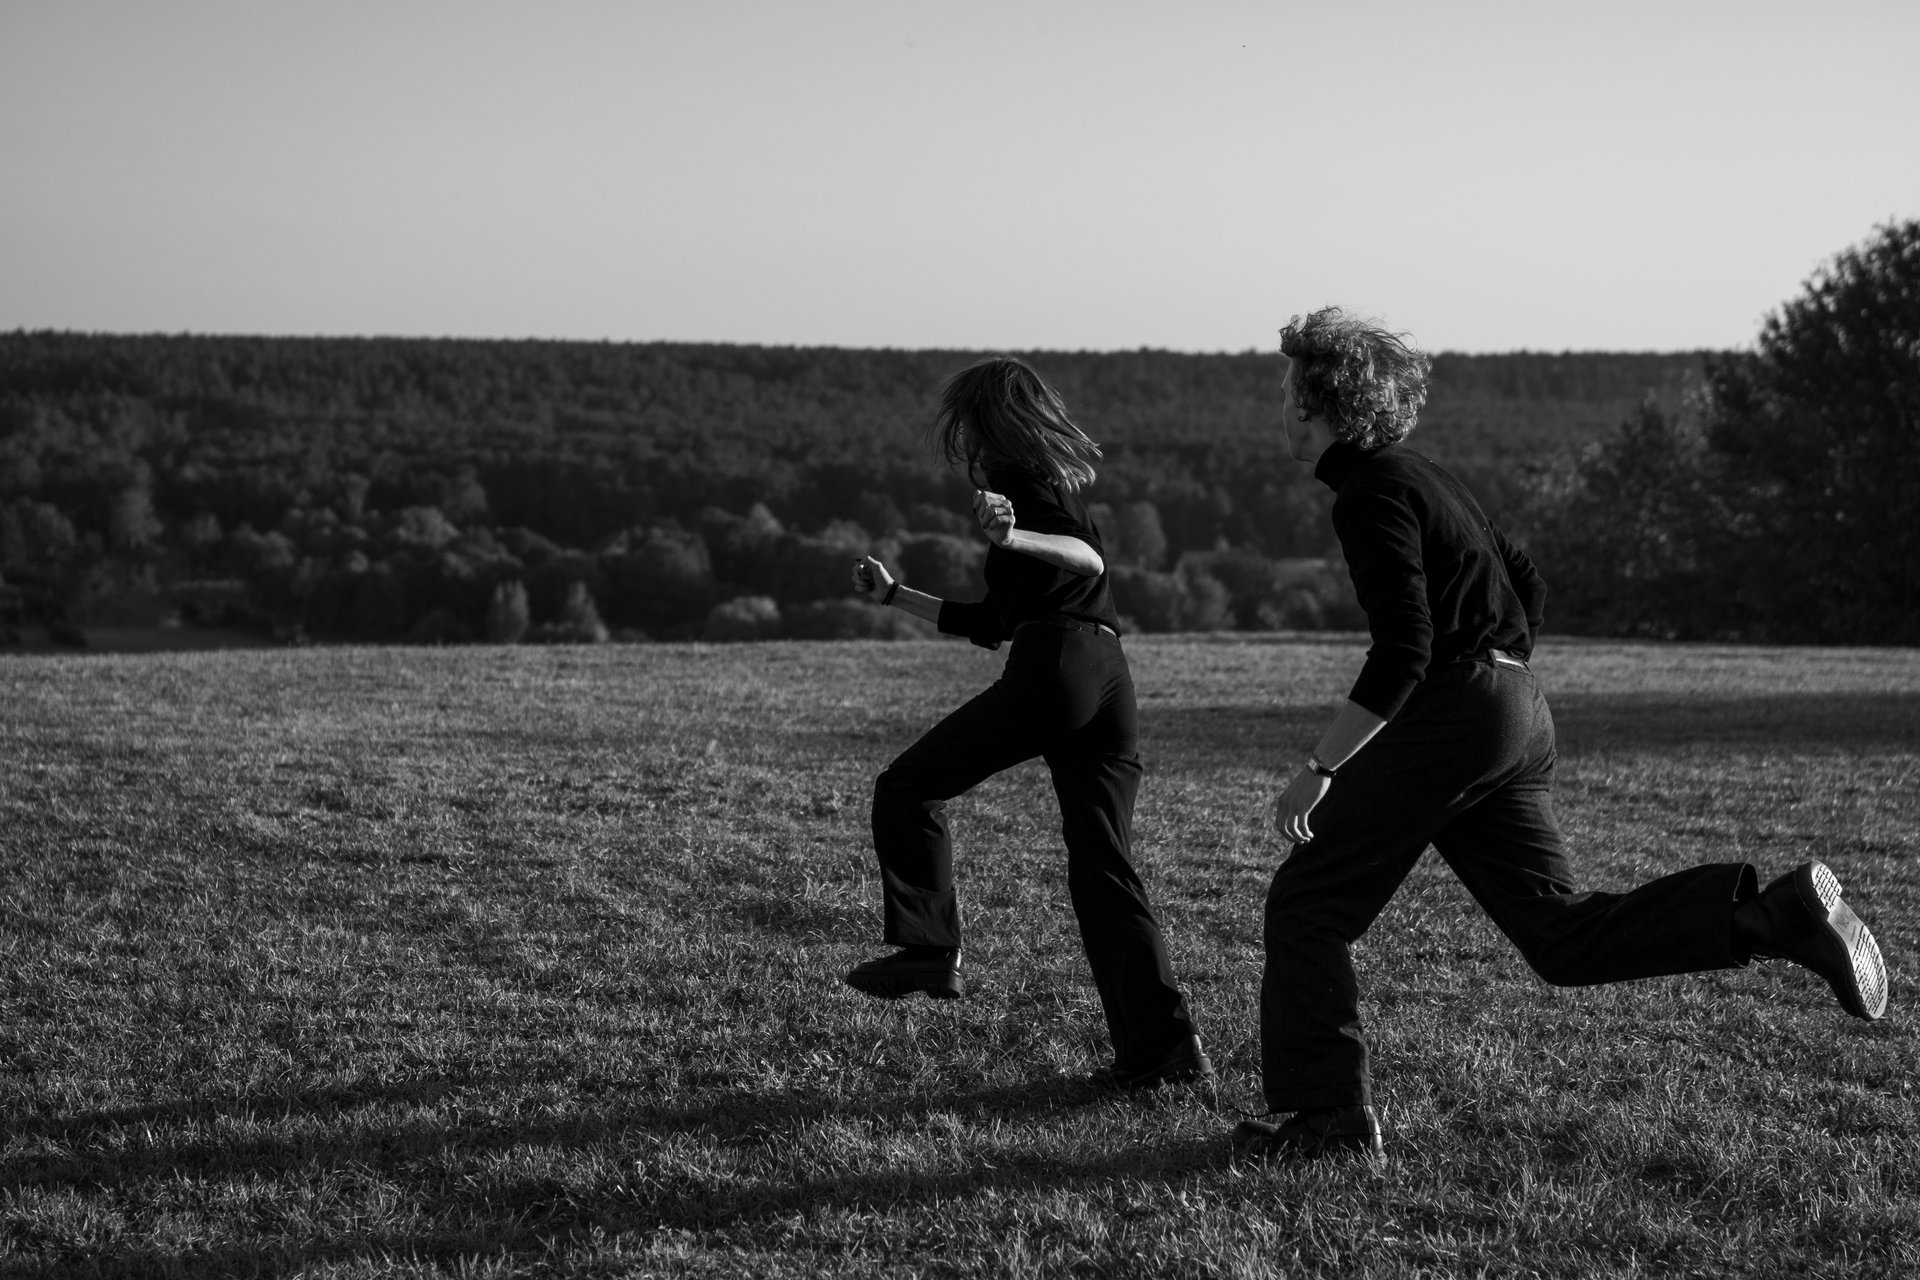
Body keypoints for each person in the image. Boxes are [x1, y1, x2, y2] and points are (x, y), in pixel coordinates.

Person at [1233, 308, 1890, 1162]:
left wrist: (1322, 767)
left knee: (1307, 903)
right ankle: (1770, 917)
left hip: (1463, 713)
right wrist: (1500, 667)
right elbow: (1527, 582)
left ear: (1319, 408)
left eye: (1288, 390)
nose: (1280, 405)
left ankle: (1332, 1123)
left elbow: (1405, 650)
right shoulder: (1429, 475)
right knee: (1562, 937)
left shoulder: (1368, 494)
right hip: (1517, 710)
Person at [843, 355, 1211, 1091]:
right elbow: (988, 620)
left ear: (983, 424)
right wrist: (894, 598)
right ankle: (1163, 1050)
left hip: (1057, 669)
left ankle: (929, 948)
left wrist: (1012, 538)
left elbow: (1086, 559)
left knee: (906, 788)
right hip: (1107, 679)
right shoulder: (1038, 483)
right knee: (1104, 868)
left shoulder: (1022, 480)